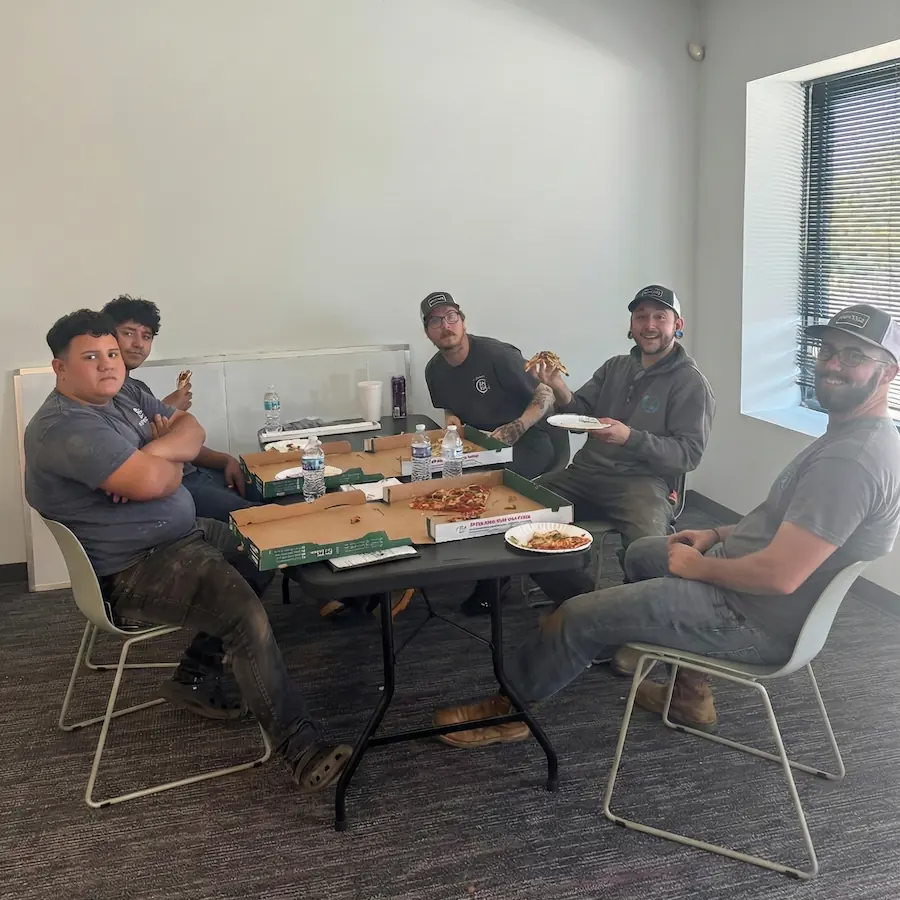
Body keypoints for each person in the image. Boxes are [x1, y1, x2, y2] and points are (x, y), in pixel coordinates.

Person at [432, 303, 900, 744]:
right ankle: (687, 691)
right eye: (829, 350)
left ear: (889, 372)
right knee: (641, 555)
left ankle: (511, 709)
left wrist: (699, 567)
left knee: (578, 617)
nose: (834, 364)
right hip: (731, 566)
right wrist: (717, 533)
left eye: (855, 356)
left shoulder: (850, 462)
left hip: (752, 614)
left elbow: (781, 575)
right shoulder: (849, 438)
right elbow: (788, 528)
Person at [25, 310, 351, 790]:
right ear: (60, 368)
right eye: (91, 357)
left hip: (179, 534)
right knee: (244, 614)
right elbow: (161, 478)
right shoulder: (67, 428)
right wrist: (160, 467)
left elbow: (191, 429)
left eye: (112, 353)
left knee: (261, 547)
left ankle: (196, 673)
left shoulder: (127, 393)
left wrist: (154, 455)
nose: (108, 365)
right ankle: (300, 747)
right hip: (136, 566)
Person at [102, 295, 261, 714]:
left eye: (146, 336)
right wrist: (164, 437)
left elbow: (183, 437)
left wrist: (224, 458)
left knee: (264, 491)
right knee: (261, 527)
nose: (137, 344)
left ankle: (296, 603)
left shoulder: (134, 387)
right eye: (128, 333)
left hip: (190, 476)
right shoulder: (98, 402)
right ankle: (206, 661)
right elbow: (142, 463)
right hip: (175, 498)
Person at [529, 284, 715, 605]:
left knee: (652, 553)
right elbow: (580, 416)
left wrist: (630, 438)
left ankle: (636, 621)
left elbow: (687, 455)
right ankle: (580, 601)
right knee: (519, 514)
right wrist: (558, 386)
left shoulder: (690, 382)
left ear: (677, 325)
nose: (650, 325)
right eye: (641, 317)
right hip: (585, 475)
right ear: (631, 327)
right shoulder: (615, 367)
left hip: (644, 484)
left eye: (660, 316)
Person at [421, 290, 559, 614]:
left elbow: (546, 392)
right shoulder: (433, 370)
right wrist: (452, 432)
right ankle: (463, 562)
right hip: (483, 446)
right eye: (436, 321)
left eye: (451, 317)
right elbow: (451, 411)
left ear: (463, 321)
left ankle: (494, 582)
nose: (446, 325)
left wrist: (515, 429)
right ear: (428, 331)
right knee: (443, 484)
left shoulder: (498, 355)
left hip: (532, 440)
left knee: (488, 492)